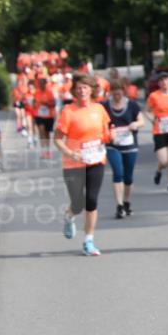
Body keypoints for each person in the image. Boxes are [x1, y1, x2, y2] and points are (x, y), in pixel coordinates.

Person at [54, 72, 111, 256]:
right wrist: (70, 153)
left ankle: (88, 241)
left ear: (91, 90)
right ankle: (69, 216)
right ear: (74, 91)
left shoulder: (99, 109)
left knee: (92, 200)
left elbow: (106, 134)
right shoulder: (68, 111)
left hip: (96, 160)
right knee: (78, 204)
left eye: (85, 87)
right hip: (73, 164)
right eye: (78, 88)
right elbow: (57, 139)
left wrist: (111, 136)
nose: (82, 91)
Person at [102, 79, 145, 219]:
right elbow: (99, 123)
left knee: (128, 177)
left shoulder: (132, 105)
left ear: (123, 92)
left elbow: (142, 121)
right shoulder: (104, 106)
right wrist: (108, 132)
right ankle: (119, 206)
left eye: (119, 94)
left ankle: (126, 202)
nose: (117, 96)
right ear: (110, 93)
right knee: (118, 173)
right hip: (112, 145)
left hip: (130, 145)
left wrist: (135, 124)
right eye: (114, 94)